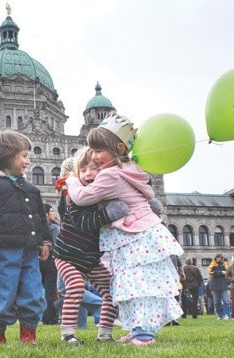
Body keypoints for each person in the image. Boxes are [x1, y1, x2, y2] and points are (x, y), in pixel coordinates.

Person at [66, 112, 184, 346]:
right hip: (143, 234)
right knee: (137, 283)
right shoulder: (131, 168)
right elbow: (148, 193)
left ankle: (143, 335)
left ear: (119, 147)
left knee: (134, 283)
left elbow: (82, 197)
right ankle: (138, 328)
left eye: (98, 151)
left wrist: (71, 180)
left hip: (133, 236)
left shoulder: (110, 175)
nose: (95, 157)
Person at [0, 130, 50, 345]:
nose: (28, 161)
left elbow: (41, 218)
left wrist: (44, 241)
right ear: (6, 155)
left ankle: (28, 334)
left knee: (33, 293)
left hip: (30, 253)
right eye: (23, 155)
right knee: (4, 293)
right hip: (5, 252)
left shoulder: (31, 190)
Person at [54, 147, 128, 344]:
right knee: (76, 286)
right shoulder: (76, 196)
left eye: (94, 168)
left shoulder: (106, 195)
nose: (88, 174)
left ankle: (105, 333)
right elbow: (83, 223)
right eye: (83, 169)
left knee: (111, 290)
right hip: (66, 255)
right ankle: (68, 333)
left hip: (90, 258)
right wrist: (108, 214)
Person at [40, 204, 60, 325]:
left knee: (43, 290)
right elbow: (57, 244)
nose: (54, 214)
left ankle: (46, 316)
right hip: (51, 261)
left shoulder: (38, 228)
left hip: (40, 261)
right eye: (52, 211)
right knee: (51, 291)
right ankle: (50, 318)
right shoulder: (53, 227)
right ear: (46, 214)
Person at [207, 253, 230, 320]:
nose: (220, 259)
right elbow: (210, 272)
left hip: (223, 284)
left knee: (225, 300)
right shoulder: (212, 264)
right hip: (215, 285)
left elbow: (227, 272)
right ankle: (219, 315)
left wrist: (216, 273)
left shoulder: (225, 263)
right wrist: (221, 272)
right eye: (219, 257)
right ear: (216, 258)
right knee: (217, 301)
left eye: (221, 258)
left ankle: (226, 314)